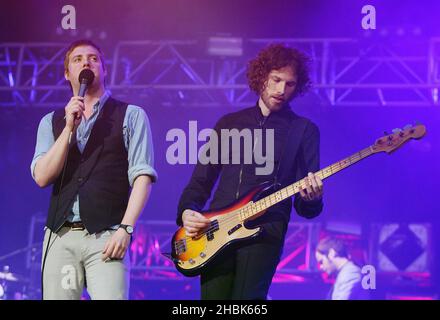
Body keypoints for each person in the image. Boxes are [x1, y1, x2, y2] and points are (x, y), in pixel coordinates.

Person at [177, 44, 324, 299]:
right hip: (216, 229)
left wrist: (312, 199)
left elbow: (305, 205)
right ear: (262, 76)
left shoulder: (303, 130)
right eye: (276, 79)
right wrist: (187, 210)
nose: (281, 90)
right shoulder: (229, 124)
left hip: (264, 232)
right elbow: (201, 179)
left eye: (289, 84)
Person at [31, 39, 157, 300]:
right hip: (60, 236)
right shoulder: (51, 122)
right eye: (77, 59)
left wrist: (126, 229)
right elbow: (42, 177)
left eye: (93, 58)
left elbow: (143, 177)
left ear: (103, 68)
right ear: (67, 73)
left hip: (107, 235)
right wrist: (68, 129)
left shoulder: (131, 115)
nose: (86, 62)